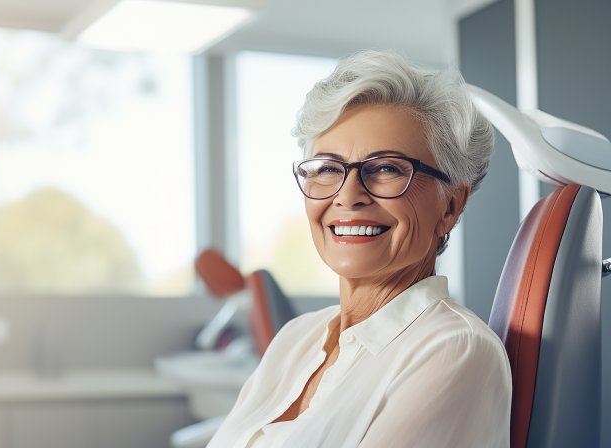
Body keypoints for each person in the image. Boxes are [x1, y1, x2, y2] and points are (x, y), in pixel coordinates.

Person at [207, 50, 512, 448]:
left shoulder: (454, 350)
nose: (348, 196)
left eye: (387, 168)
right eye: (329, 168)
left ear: (450, 206)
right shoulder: (296, 339)